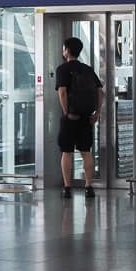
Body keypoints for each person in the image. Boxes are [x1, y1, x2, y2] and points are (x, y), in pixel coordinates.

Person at [56, 37, 103, 199]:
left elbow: (62, 92)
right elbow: (99, 91)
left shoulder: (62, 69)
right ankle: (89, 187)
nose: (63, 51)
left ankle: (67, 187)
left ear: (67, 51)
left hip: (71, 117)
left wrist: (66, 112)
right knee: (86, 152)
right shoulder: (88, 69)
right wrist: (97, 112)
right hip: (86, 117)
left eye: (63, 48)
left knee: (66, 152)